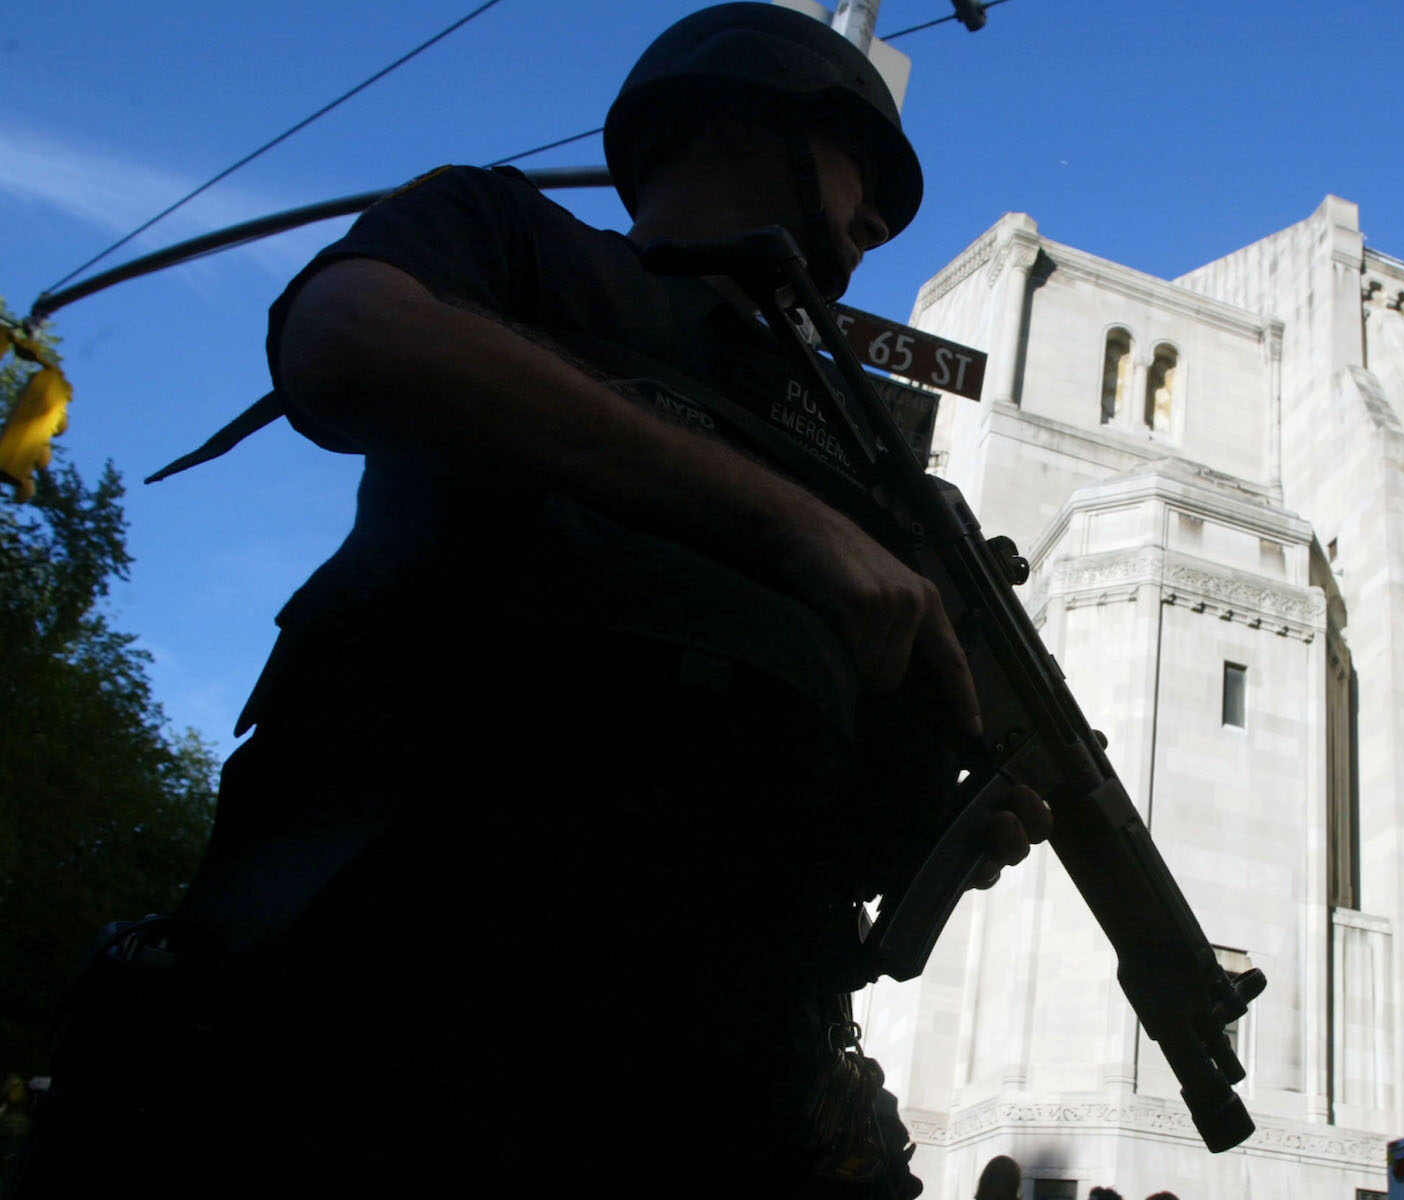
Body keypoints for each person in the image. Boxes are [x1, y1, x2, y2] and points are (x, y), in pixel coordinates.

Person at [4, 6, 1048, 1197]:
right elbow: (345, 338)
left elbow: (838, 819)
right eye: (867, 166)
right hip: (390, 988)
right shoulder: (515, 239)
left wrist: (938, 825)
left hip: (702, 1074)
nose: (876, 221)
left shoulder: (872, 456)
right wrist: (786, 524)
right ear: (734, 117)